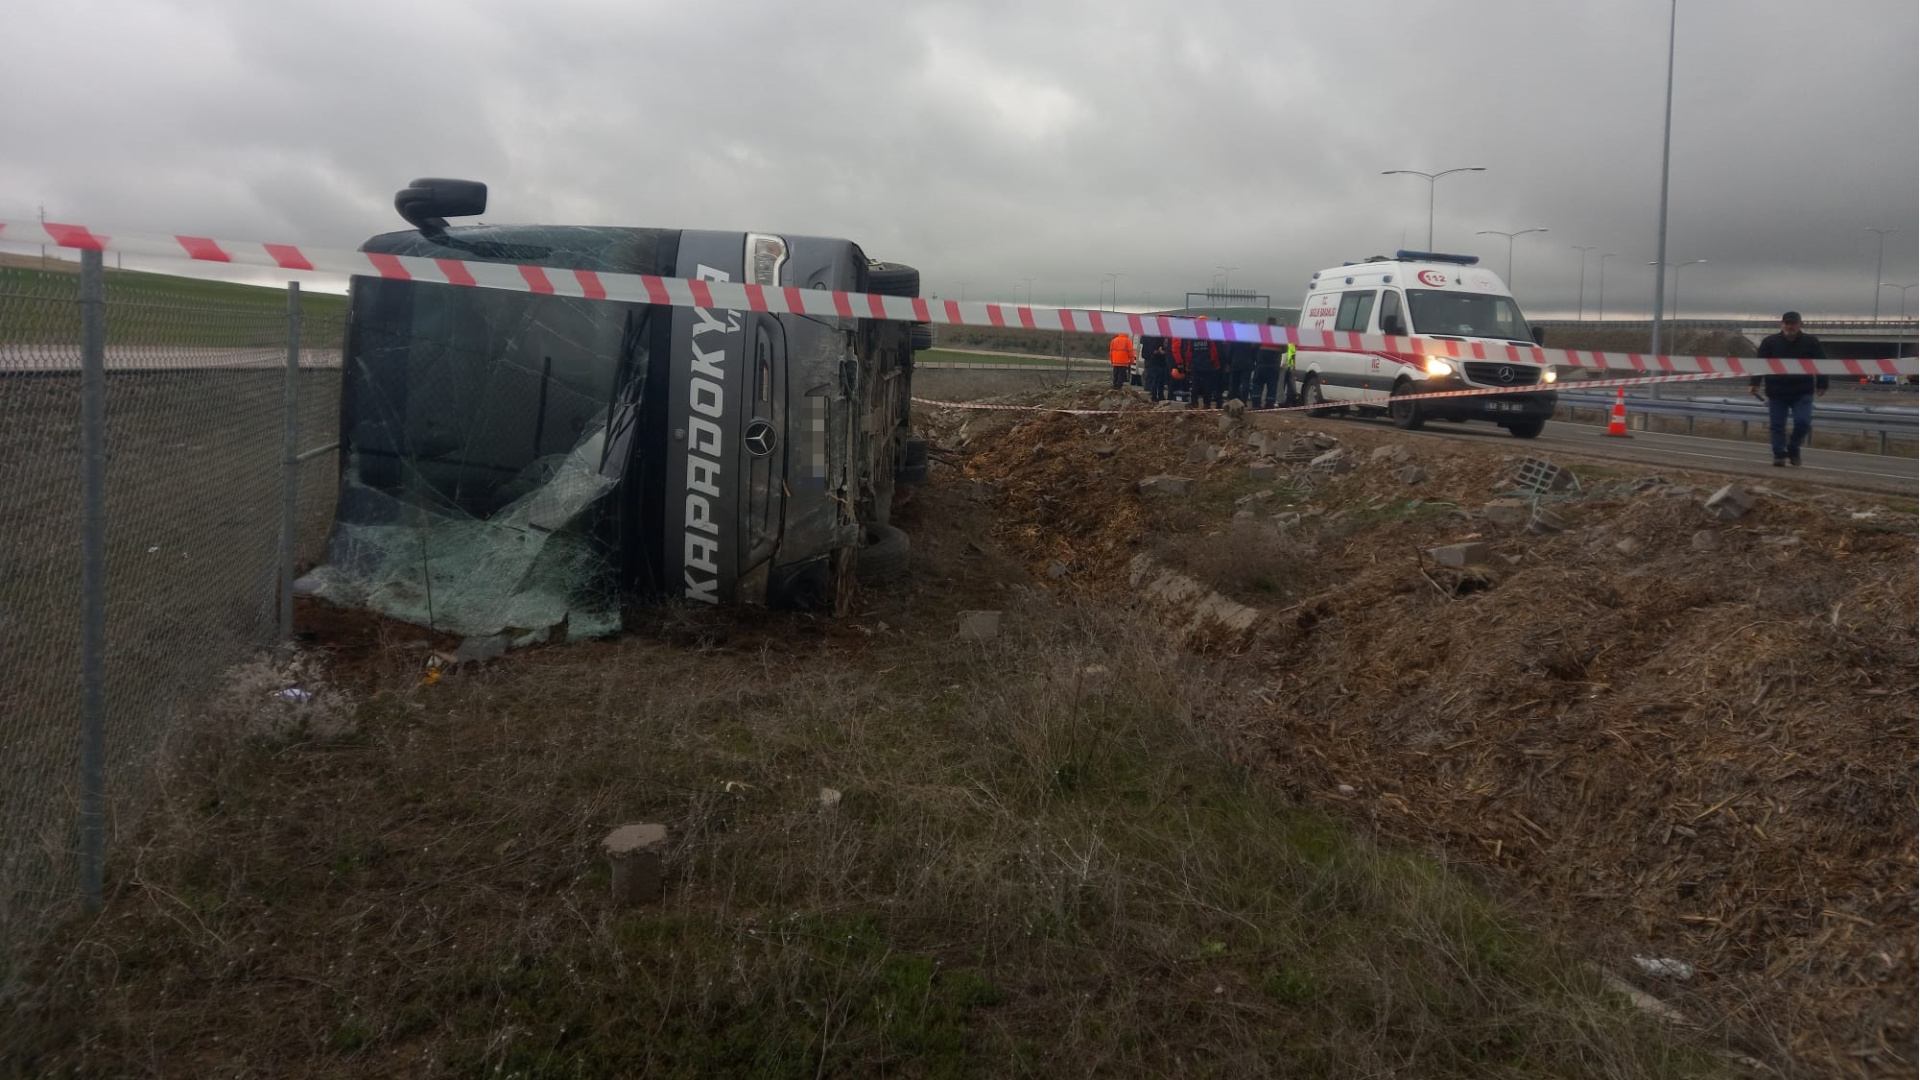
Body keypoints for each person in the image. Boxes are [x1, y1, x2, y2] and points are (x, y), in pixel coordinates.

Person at [1749, 310, 1828, 467]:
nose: (1790, 326)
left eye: (1793, 323)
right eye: (1787, 323)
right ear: (1782, 324)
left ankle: (1793, 448)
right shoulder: (1769, 342)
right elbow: (1760, 364)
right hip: (1777, 391)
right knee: (1777, 425)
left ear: (1800, 324)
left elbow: (1821, 363)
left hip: (1802, 391)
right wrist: (1754, 383)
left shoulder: (1811, 342)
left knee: (1803, 422)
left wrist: (1822, 384)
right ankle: (1779, 454)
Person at [1251, 318, 1283, 409]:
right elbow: (1285, 349)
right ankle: (1269, 405)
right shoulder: (1279, 335)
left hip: (1261, 364)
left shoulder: (1262, 333)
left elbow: (1254, 346)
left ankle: (1256, 405)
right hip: (1274, 366)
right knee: (1272, 387)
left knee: (1257, 385)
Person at [1227, 337, 1257, 405]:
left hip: (1235, 363)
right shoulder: (1251, 340)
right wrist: (1253, 362)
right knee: (1245, 383)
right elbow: (1254, 352)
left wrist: (1229, 362)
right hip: (1247, 364)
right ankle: (1243, 401)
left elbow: (1230, 351)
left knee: (1234, 384)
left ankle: (1233, 400)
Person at [1142, 336, 1171, 401]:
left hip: (1155, 359)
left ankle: (1155, 396)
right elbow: (1151, 349)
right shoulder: (1153, 337)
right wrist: (1158, 351)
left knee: (1157, 379)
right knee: (1155, 379)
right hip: (1155, 360)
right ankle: (1153, 396)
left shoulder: (1148, 336)